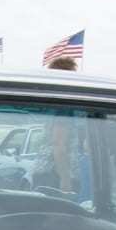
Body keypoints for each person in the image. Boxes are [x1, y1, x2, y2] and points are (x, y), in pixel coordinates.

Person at [33, 56, 80, 194]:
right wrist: (65, 178)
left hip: (44, 171)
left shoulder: (51, 104)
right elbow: (58, 142)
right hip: (55, 175)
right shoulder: (64, 106)